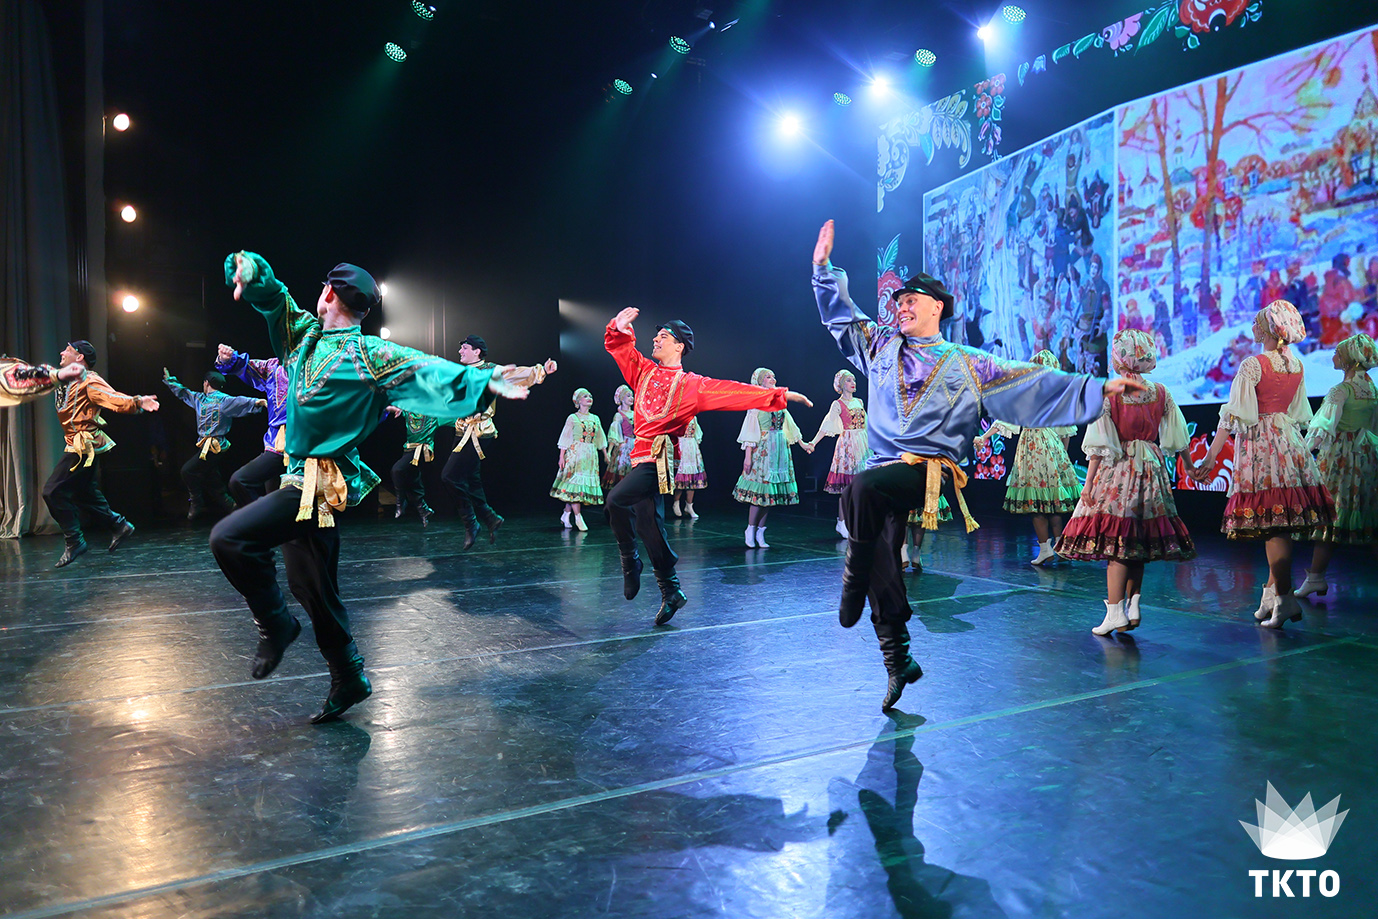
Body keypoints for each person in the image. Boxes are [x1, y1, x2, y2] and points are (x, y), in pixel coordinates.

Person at [812, 220, 1144, 711]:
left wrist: (1095, 389)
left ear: (936, 307)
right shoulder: (880, 346)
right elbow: (843, 319)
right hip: (884, 468)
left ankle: (850, 582)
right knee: (882, 550)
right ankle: (898, 659)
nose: (901, 307)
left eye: (911, 301)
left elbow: (1032, 383)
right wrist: (823, 270)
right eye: (898, 302)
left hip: (928, 471)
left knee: (857, 490)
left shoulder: (967, 362)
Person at [210, 252, 530, 723]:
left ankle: (274, 623)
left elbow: (428, 370)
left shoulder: (368, 354)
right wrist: (253, 274)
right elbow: (275, 300)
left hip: (321, 485)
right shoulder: (304, 337)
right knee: (311, 585)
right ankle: (349, 676)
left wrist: (485, 381)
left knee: (229, 538)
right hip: (300, 480)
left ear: (328, 294)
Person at [604, 309, 813, 624]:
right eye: (656, 336)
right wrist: (619, 328)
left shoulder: (691, 385)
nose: (655, 340)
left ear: (679, 346)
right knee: (648, 524)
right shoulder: (643, 372)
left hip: (659, 460)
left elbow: (734, 392)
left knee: (615, 500)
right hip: (638, 459)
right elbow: (621, 349)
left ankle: (629, 561)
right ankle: (671, 590)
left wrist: (779, 395)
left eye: (663, 337)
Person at [1187, 300, 1336, 629]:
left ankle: (1284, 599)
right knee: (1279, 523)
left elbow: (1231, 417)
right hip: (1287, 441)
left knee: (1273, 525)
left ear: (1270, 329)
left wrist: (1209, 458)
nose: (1253, 328)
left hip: (1261, 445)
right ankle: (1271, 595)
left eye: (1257, 323)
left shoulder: (1253, 365)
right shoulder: (1296, 365)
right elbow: (1296, 412)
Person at [1054, 331, 1196, 633]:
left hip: (1119, 468)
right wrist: (1190, 466)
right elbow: (1178, 434)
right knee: (1137, 539)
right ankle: (1133, 604)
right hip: (1151, 469)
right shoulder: (1160, 391)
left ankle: (1115, 611)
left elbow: (1099, 444)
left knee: (1117, 541)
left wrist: (1088, 484)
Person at [36, 341, 160, 567]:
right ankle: (119, 525)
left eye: (68, 350)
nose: (62, 352)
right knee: (85, 493)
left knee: (52, 491)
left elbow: (112, 398)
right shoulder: (69, 379)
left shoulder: (89, 380)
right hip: (75, 443)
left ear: (80, 357)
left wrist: (137, 401)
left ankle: (75, 541)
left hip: (84, 445)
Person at [441, 334, 556, 550]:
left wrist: (541, 370)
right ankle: (490, 519)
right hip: (461, 430)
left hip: (479, 431)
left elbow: (517, 374)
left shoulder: (491, 370)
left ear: (476, 351)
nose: (460, 351)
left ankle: (474, 522)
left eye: (464, 348)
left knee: (449, 476)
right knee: (472, 479)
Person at [974, 350, 1081, 566]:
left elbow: (1005, 420)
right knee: (1053, 501)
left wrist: (984, 437)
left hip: (1033, 446)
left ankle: (1046, 549)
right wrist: (1062, 458)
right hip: (1052, 446)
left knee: (1036, 502)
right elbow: (1066, 432)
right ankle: (1059, 547)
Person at [1294, 333, 1378, 597]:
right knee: (1368, 516)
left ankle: (1316, 577)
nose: (1333, 356)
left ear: (1349, 360)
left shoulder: (1341, 390)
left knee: (1330, 517)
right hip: (1366, 457)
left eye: (1337, 353)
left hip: (1341, 459)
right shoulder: (1372, 390)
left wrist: (1301, 454)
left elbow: (1323, 428)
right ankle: (1315, 577)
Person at [163, 368, 266, 520]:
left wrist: (258, 402)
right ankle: (232, 507)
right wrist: (171, 381)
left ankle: (196, 502)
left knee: (187, 471)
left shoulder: (221, 400)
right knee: (212, 480)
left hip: (215, 446)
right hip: (205, 445)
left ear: (206, 383)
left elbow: (239, 401)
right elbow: (185, 393)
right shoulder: (201, 399)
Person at [732, 367, 813, 548]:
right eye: (768, 377)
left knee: (770, 495)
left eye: (773, 376)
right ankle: (750, 529)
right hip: (763, 449)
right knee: (760, 493)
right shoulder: (756, 402)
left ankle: (761, 532)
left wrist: (803, 444)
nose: (772, 379)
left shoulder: (779, 401)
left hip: (779, 450)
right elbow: (750, 431)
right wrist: (747, 457)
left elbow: (789, 425)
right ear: (760, 381)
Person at [216, 343, 291, 505]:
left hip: (307, 441)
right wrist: (229, 358)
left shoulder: (314, 366)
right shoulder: (273, 366)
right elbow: (245, 366)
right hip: (277, 442)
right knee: (247, 484)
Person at [807, 369, 871, 539]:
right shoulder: (837, 404)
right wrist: (813, 443)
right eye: (849, 380)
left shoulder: (859, 401)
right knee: (847, 488)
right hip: (848, 445)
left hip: (863, 443)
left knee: (862, 486)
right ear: (841, 384)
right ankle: (842, 522)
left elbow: (867, 425)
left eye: (854, 380)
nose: (853, 383)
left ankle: (858, 521)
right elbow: (827, 425)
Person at [551, 388, 605, 531]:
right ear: (578, 401)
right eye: (585, 396)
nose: (589, 398)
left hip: (590, 455)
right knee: (576, 486)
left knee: (578, 489)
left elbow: (600, 437)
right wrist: (561, 457)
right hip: (576, 454)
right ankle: (578, 517)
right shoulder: (572, 418)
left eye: (590, 396)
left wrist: (605, 454)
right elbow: (565, 436)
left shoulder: (595, 418)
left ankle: (566, 513)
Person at [385, 407, 439, 527]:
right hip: (408, 450)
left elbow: (453, 417)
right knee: (412, 481)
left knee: (397, 470)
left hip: (422, 451)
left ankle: (400, 502)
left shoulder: (434, 415)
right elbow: (393, 408)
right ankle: (423, 510)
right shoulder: (409, 412)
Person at [672, 415, 705, 518]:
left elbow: (697, 433)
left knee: (692, 478)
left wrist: (697, 448)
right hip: (681, 446)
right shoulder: (677, 416)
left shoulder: (694, 418)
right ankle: (676, 503)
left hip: (691, 446)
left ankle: (689, 506)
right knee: (681, 477)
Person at [604, 384, 635, 490]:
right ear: (621, 399)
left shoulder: (635, 414)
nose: (631, 398)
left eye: (632, 395)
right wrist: (609, 452)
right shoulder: (619, 415)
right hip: (624, 445)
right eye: (628, 396)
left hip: (635, 444)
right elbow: (614, 433)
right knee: (622, 471)